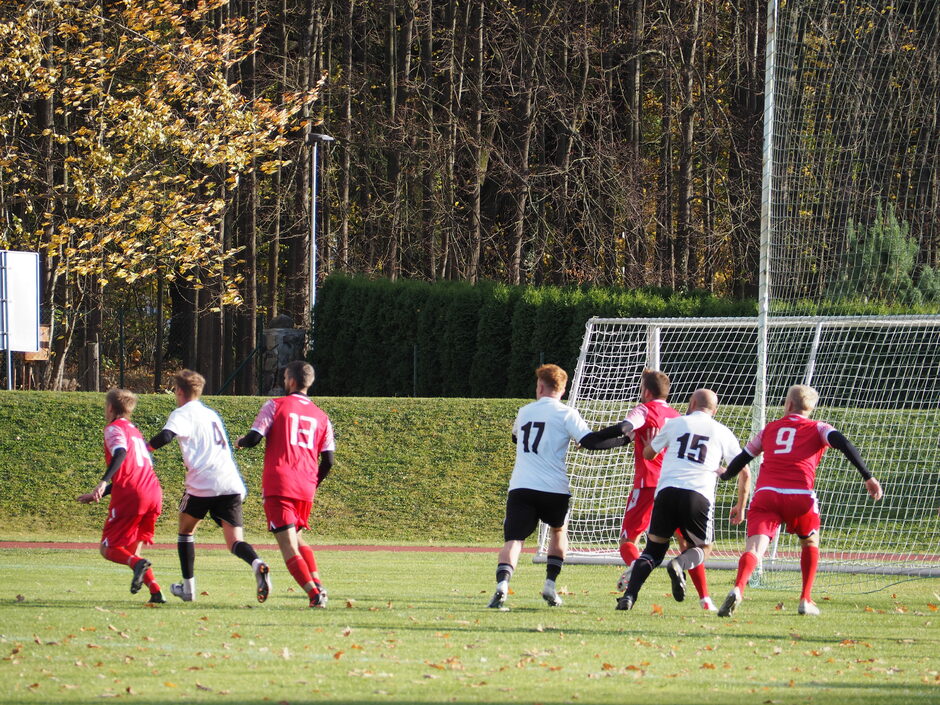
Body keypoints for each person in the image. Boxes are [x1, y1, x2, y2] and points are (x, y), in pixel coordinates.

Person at [716, 384, 883, 617]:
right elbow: (844, 443)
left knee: (755, 548)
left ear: (789, 404)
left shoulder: (769, 429)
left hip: (766, 494)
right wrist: (868, 476)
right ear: (811, 408)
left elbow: (743, 458)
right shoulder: (819, 428)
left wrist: (725, 475)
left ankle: (738, 588)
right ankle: (805, 599)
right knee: (810, 542)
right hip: (799, 495)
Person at [488, 363, 631, 609]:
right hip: (554, 488)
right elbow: (591, 442)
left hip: (522, 486)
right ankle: (550, 585)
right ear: (562, 390)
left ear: (540, 386)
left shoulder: (524, 411)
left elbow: (515, 438)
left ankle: (502, 585)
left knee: (514, 540)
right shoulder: (566, 413)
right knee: (558, 531)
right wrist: (623, 437)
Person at [615, 389, 747, 611]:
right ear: (715, 410)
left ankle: (629, 596)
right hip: (697, 494)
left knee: (653, 550)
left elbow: (649, 454)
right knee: (703, 547)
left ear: (692, 403)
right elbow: (744, 472)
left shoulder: (675, 424)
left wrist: (650, 446)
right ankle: (679, 564)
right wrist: (741, 505)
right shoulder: (722, 431)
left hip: (666, 492)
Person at [147, 370, 271, 603]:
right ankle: (258, 563)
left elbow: (166, 436)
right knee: (234, 541)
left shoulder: (182, 413)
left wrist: (144, 449)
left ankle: (188, 589)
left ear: (179, 391)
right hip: (230, 482)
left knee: (186, 530)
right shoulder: (211, 414)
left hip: (202, 482)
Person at [236, 361, 335, 608]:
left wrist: (240, 442)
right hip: (305, 487)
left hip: (280, 483)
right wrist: (313, 482)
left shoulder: (275, 405)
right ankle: (318, 585)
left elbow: (254, 438)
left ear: (290, 381)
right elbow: (329, 461)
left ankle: (314, 595)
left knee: (289, 546)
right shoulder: (322, 417)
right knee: (298, 539)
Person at [77, 388, 165, 604]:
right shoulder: (135, 432)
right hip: (153, 492)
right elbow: (133, 470)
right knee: (132, 551)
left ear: (110, 408)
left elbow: (120, 452)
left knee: (108, 549)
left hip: (132, 494)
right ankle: (156, 591)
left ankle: (138, 566)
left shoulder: (114, 428)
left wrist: (103, 481)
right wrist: (101, 492)